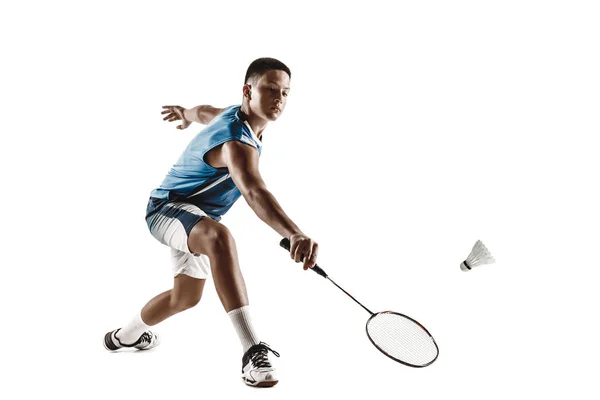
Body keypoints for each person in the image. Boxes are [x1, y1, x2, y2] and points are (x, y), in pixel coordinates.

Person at [103, 58, 319, 388]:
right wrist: (294, 233)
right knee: (220, 238)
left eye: (286, 93)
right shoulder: (236, 142)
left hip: (195, 218)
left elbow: (206, 112)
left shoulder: (235, 116)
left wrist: (186, 113)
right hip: (167, 208)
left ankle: (124, 337)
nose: (279, 99)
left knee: (185, 298)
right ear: (248, 90)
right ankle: (252, 350)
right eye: (270, 89)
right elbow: (253, 190)